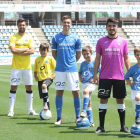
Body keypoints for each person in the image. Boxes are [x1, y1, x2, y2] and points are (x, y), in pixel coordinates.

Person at [93, 17, 131, 133]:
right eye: (109, 26)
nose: (112, 28)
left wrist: (128, 74)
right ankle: (101, 127)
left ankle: (123, 126)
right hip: (104, 77)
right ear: (106, 27)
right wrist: (95, 75)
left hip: (119, 77)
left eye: (114, 26)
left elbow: (126, 58)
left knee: (120, 100)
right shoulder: (100, 41)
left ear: (117, 27)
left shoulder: (123, 42)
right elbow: (97, 59)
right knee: (103, 100)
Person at [52, 15, 82, 125]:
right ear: (61, 23)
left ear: (71, 24)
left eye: (68, 22)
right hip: (60, 70)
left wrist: (71, 62)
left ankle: (77, 117)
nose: (66, 24)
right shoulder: (56, 37)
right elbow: (54, 54)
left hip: (72, 69)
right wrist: (61, 62)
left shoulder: (76, 38)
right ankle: (59, 118)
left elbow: (78, 54)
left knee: (76, 92)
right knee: (59, 92)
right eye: (64, 22)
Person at [8, 18, 38, 117]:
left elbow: (32, 51)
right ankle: (11, 110)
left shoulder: (29, 37)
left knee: (29, 87)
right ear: (18, 26)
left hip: (27, 67)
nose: (22, 26)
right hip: (16, 67)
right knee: (13, 87)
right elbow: (13, 50)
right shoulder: (13, 37)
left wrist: (19, 50)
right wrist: (25, 49)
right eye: (20, 25)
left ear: (26, 26)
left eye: (23, 25)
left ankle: (30, 109)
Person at [79, 46, 100, 127]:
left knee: (86, 92)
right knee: (88, 103)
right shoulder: (83, 64)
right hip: (84, 84)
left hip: (92, 84)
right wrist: (80, 78)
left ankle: (83, 111)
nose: (86, 56)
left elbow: (101, 73)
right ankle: (91, 122)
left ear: (91, 53)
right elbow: (80, 72)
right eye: (84, 54)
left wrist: (97, 80)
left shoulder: (95, 63)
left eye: (87, 54)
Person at [34, 43, 56, 110]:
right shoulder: (37, 59)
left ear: (47, 50)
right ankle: (48, 110)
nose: (43, 52)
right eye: (41, 50)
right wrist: (35, 76)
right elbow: (35, 70)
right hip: (40, 79)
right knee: (44, 96)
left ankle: (45, 104)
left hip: (48, 78)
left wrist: (52, 76)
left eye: (44, 50)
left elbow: (57, 69)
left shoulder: (50, 59)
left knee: (44, 86)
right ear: (39, 50)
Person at [124, 46, 140, 125]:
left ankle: (137, 117)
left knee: (138, 98)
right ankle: (138, 122)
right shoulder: (133, 68)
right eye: (137, 55)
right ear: (135, 56)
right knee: (136, 109)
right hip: (134, 90)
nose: (139, 56)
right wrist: (130, 83)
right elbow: (126, 76)